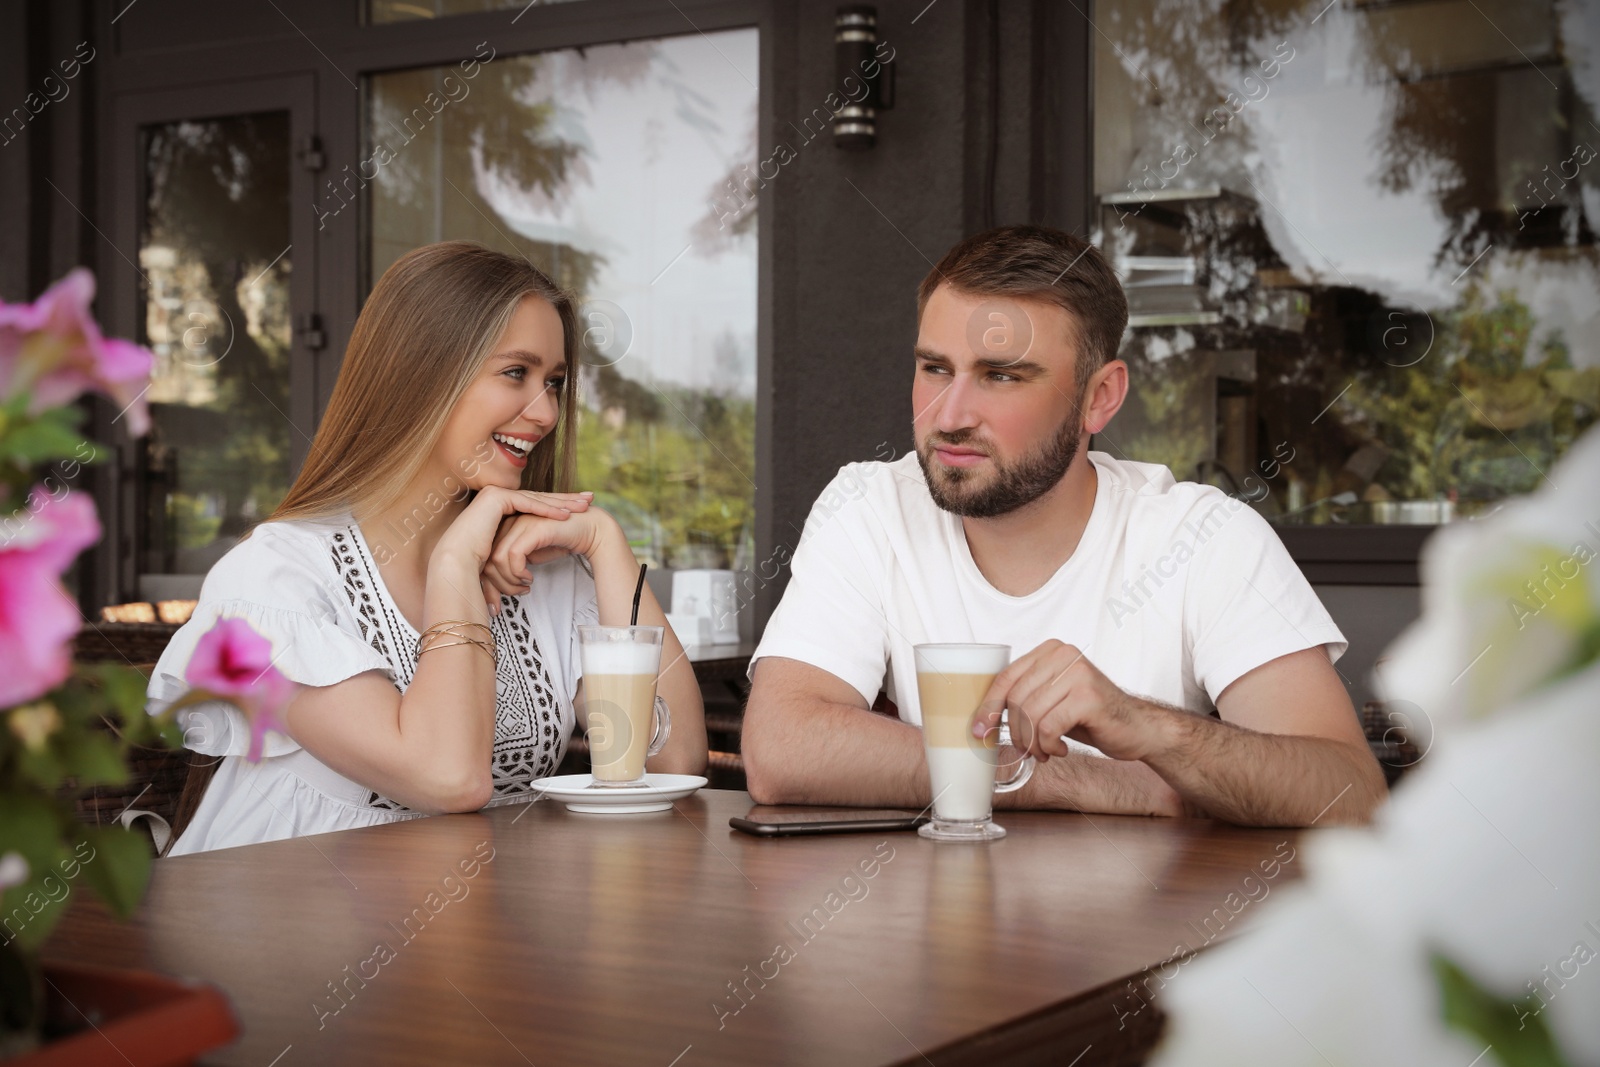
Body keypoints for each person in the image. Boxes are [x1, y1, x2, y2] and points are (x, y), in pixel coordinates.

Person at [741, 225, 1385, 827]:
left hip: (1159, 940)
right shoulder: (870, 508)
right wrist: (1076, 780)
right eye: (935, 368)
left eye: (1001, 375)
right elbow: (780, 748)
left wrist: (1152, 730)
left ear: (1099, 397)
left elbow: (1350, 790)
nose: (949, 414)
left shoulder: (1203, 536)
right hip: (937, 931)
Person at [147, 241, 706, 854]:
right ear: (423, 372)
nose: (545, 411)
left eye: (555, 382)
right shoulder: (273, 583)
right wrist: (452, 569)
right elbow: (445, 776)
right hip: (295, 930)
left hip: (482, 927)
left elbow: (673, 760)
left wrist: (606, 544)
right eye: (516, 373)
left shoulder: (538, 570)